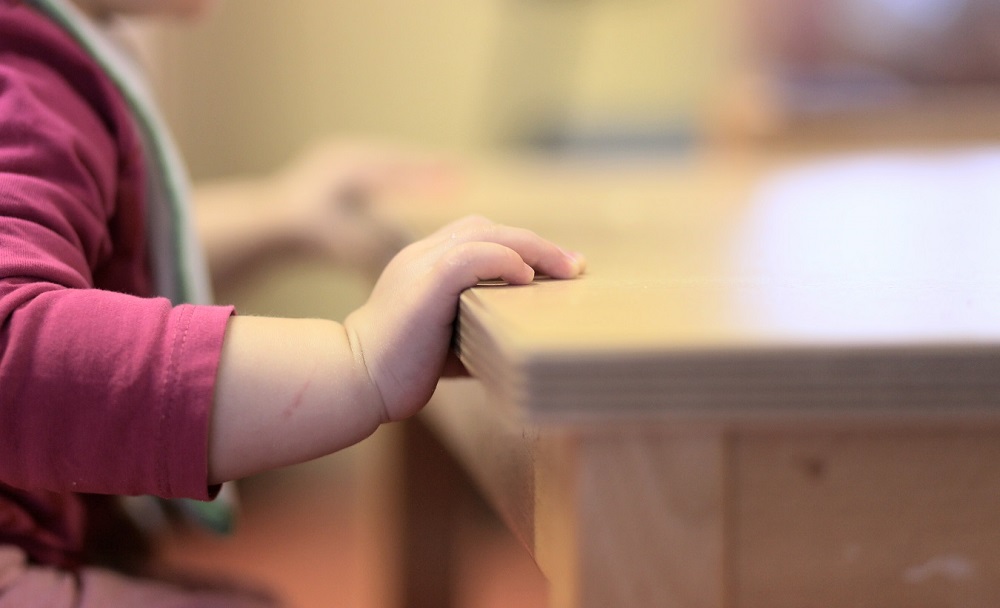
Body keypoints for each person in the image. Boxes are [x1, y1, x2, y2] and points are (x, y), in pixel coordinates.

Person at [0, 0, 586, 605]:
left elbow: (100, 257)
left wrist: (283, 212)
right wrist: (358, 362)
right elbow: (11, 345)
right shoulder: (23, 77)